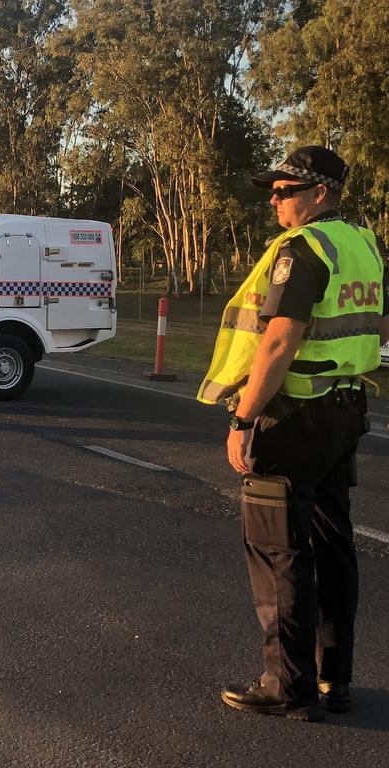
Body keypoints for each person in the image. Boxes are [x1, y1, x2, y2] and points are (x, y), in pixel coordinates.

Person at [198, 146, 389, 721]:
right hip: (345, 410)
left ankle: (288, 685)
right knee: (333, 546)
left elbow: (280, 341)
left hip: (293, 417)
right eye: (274, 191)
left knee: (280, 551)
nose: (275, 201)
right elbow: (379, 321)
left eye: (286, 191)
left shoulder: (301, 250)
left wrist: (243, 417)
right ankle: (334, 678)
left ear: (321, 194)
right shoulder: (366, 245)